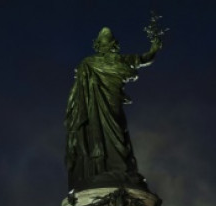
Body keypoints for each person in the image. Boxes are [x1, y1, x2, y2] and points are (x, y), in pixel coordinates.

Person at [64, 19, 163, 192]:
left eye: (108, 43)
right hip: (93, 105)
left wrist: (154, 48)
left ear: (113, 45)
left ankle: (120, 168)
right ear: (98, 46)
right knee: (98, 133)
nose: (106, 46)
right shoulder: (88, 63)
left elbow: (142, 58)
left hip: (113, 100)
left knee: (117, 130)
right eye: (102, 44)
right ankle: (101, 169)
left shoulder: (121, 60)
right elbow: (77, 91)